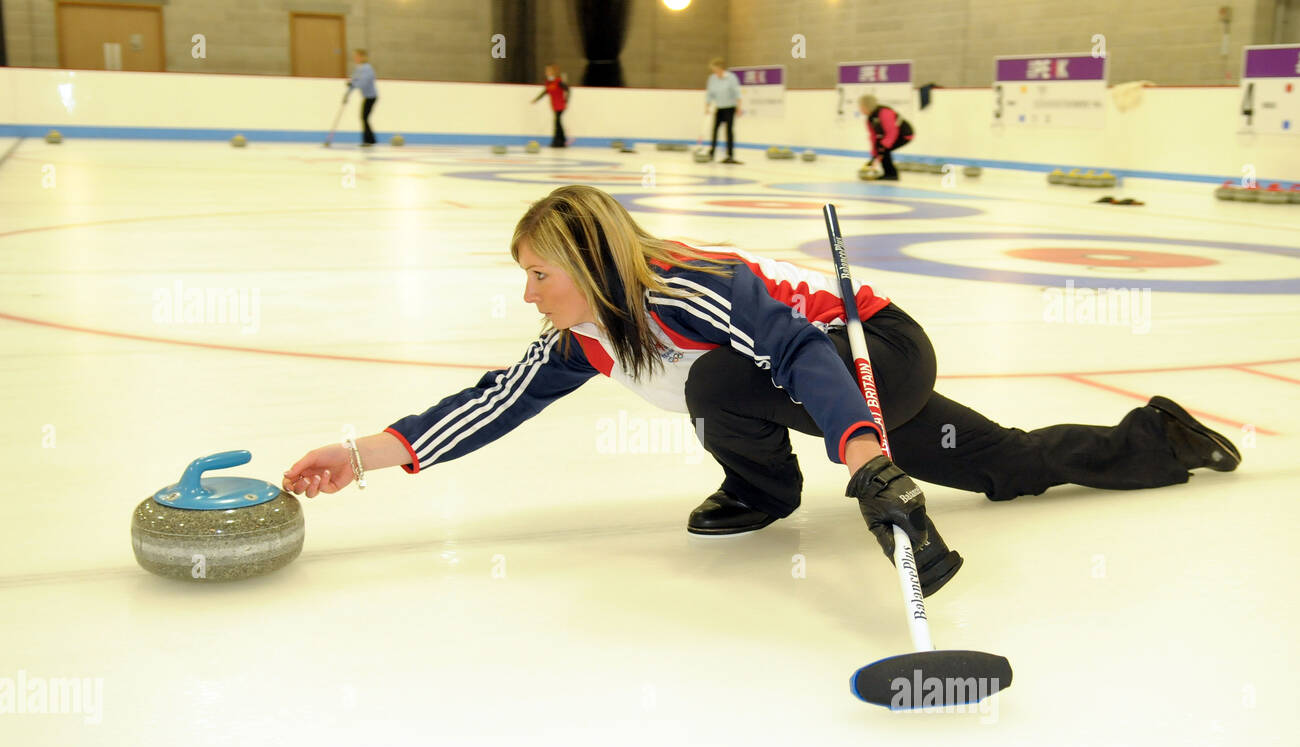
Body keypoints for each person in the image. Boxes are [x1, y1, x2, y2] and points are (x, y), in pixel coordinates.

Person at [282, 185, 1241, 597]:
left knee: (725, 373)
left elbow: (795, 353)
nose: (526, 292)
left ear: (587, 261)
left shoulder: (688, 284)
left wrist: (863, 456)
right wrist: (358, 454)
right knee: (1003, 468)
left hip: (874, 350)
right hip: (815, 383)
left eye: (539, 272)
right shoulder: (583, 333)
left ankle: (766, 488)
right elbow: (494, 399)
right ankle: (1158, 438)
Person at [859, 94, 913, 181]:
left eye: (861, 106)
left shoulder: (884, 112)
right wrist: (874, 154)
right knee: (881, 149)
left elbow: (892, 132)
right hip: (891, 135)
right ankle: (890, 173)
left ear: (867, 106)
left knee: (884, 151)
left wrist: (883, 147)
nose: (860, 109)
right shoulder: (870, 118)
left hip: (905, 135)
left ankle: (892, 174)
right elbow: (873, 137)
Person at [703, 57, 742, 164]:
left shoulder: (731, 78)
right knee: (714, 130)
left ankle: (730, 155)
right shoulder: (712, 78)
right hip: (719, 108)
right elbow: (710, 94)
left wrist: (739, 107)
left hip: (730, 108)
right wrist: (707, 106)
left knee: (729, 131)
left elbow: (737, 93)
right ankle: (712, 153)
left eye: (715, 69)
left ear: (721, 68)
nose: (714, 71)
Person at [344, 49, 378, 147]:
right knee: (364, 117)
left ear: (363, 57)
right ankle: (370, 140)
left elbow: (363, 82)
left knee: (364, 117)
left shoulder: (368, 68)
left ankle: (369, 140)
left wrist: (353, 84)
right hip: (366, 97)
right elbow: (353, 81)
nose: (356, 58)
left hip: (371, 97)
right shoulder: (358, 69)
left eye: (358, 56)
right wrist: (347, 94)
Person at [531, 64, 570, 148]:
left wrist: (566, 101)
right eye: (546, 71)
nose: (547, 73)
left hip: (561, 105)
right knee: (558, 123)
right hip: (555, 106)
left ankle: (557, 142)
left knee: (557, 123)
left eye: (548, 71)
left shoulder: (558, 81)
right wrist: (536, 99)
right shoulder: (549, 82)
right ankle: (561, 141)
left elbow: (567, 89)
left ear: (553, 72)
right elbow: (545, 92)